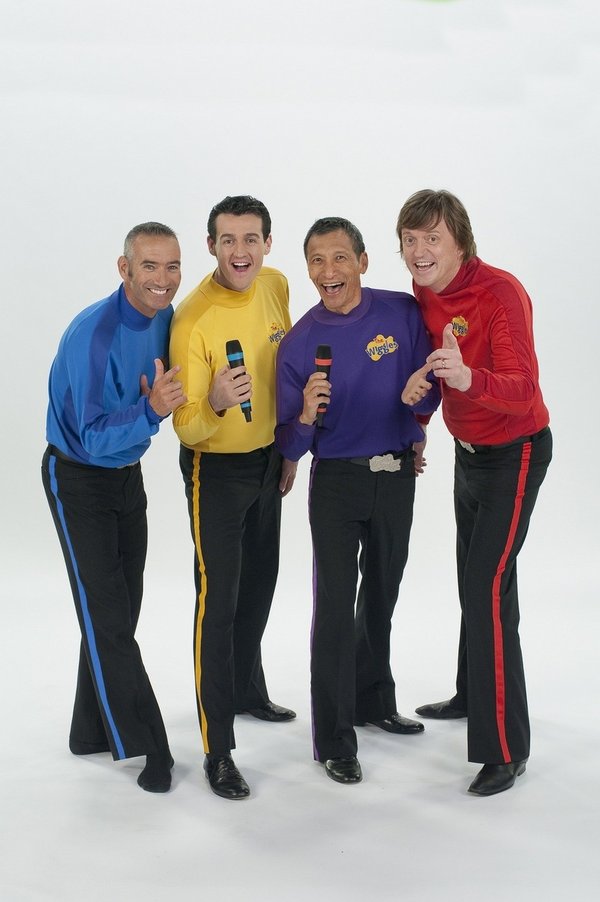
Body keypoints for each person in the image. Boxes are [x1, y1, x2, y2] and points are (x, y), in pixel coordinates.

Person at [275, 217, 440, 785]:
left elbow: (430, 388)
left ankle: (373, 702)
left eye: (340, 257)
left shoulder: (400, 312)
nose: (329, 271)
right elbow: (289, 445)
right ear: (308, 269)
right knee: (335, 609)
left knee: (382, 594)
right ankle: (334, 738)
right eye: (317, 260)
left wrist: (420, 410)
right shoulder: (299, 343)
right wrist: (303, 415)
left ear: (363, 262)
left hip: (397, 476)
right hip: (337, 484)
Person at [397, 189, 552, 796]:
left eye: (432, 238)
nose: (419, 251)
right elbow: (440, 371)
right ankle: (472, 693)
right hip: (468, 454)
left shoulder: (500, 293)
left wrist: (466, 377)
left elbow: (522, 389)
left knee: (487, 587)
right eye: (409, 240)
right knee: (474, 577)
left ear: (460, 242)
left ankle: (506, 749)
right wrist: (422, 412)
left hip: (516, 452)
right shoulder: (425, 291)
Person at [41, 222, 185, 793]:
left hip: (127, 476)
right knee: (108, 618)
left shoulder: (167, 318)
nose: (162, 279)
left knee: (120, 613)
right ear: (124, 269)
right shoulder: (92, 335)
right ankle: (151, 745)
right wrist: (151, 411)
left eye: (172, 266)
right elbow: (92, 435)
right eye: (149, 266)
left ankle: (88, 731)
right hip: (77, 477)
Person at [169, 195, 297, 801]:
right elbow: (186, 427)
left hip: (268, 461)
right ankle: (217, 748)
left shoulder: (276, 285)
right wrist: (217, 401)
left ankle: (247, 689)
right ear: (211, 245)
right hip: (214, 472)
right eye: (228, 240)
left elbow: (284, 372)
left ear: (267, 243)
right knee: (216, 606)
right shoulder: (192, 320)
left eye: (251, 239)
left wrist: (287, 448)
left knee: (260, 586)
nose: (240, 252)